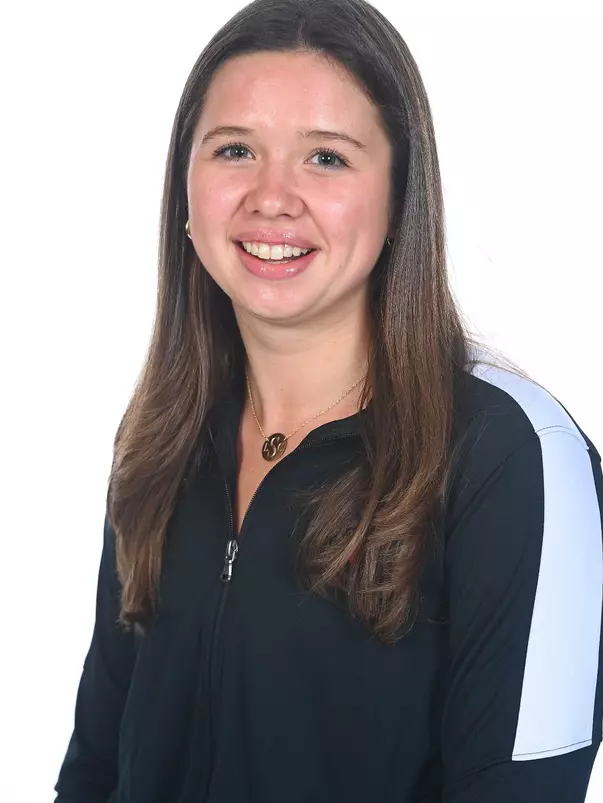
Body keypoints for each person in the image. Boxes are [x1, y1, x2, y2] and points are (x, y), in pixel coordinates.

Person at [54, 0, 603, 801]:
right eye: (234, 149)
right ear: (185, 189)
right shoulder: (161, 443)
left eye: (327, 159)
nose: (271, 198)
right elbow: (96, 768)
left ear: (399, 198)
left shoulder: (517, 459)